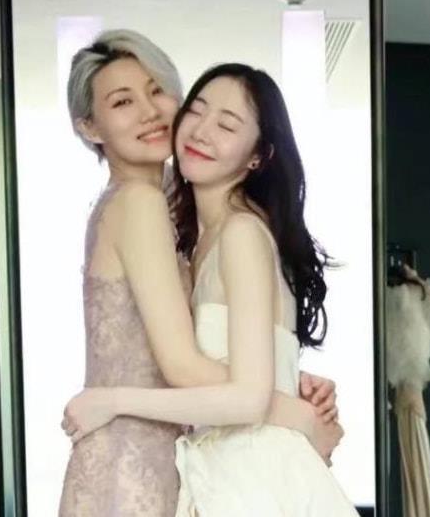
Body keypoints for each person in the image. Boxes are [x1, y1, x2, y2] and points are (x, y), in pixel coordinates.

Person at [59, 30, 342, 517]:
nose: (149, 112)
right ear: (90, 127)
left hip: (165, 454)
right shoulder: (141, 202)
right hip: (136, 457)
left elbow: (200, 348)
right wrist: (292, 410)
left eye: (157, 91)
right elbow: (183, 365)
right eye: (123, 101)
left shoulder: (178, 211)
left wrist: (279, 373)